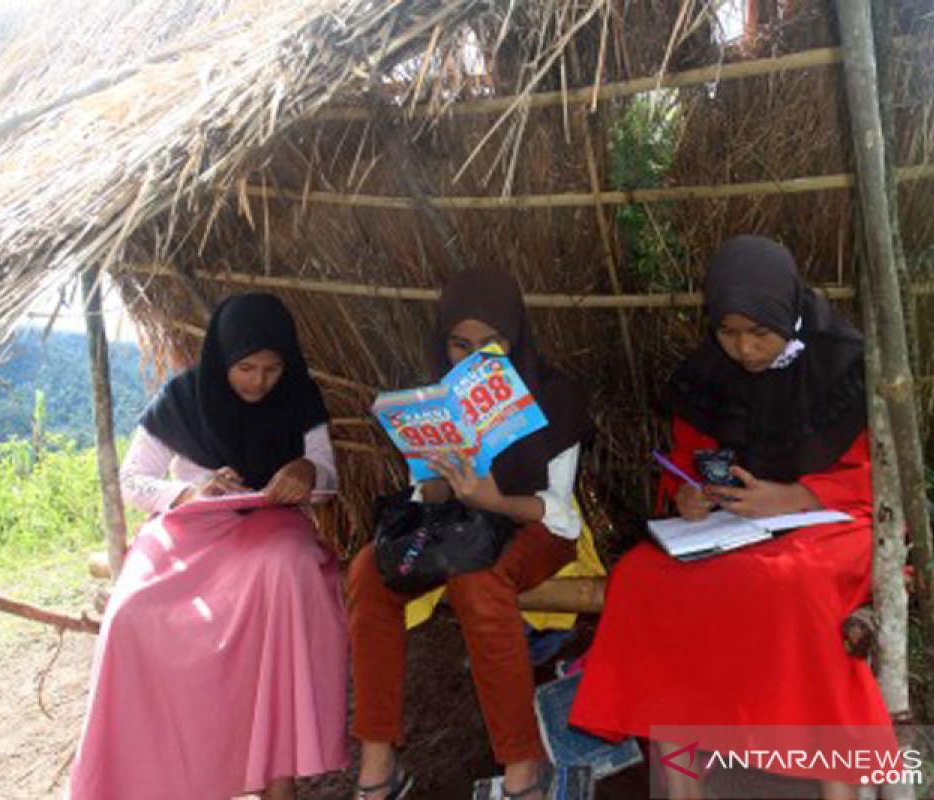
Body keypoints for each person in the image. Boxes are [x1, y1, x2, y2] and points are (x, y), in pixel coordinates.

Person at [569, 236, 896, 800]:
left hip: (836, 521)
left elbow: (885, 479)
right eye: (727, 331)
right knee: (644, 581)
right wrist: (687, 496)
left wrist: (796, 496)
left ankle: (836, 787)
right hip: (735, 528)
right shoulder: (707, 372)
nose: (743, 348)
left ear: (786, 313)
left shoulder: (846, 362)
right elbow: (686, 461)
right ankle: (682, 786)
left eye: (759, 332)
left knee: (793, 586)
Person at [68, 293, 348, 800]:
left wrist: (307, 472)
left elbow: (326, 474)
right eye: (245, 367)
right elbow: (132, 481)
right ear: (222, 359)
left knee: (289, 567)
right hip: (187, 531)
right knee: (131, 612)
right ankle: (151, 780)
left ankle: (276, 777)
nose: (258, 381)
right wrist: (188, 491)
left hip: (270, 529)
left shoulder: (300, 398)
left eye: (271, 368)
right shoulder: (182, 398)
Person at [348, 268, 594, 800]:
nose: (477, 359)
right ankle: (377, 759)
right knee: (369, 570)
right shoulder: (439, 395)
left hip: (535, 523)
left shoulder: (557, 398)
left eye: (492, 344)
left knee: (478, 584)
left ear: (516, 338)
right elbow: (425, 493)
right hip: (460, 523)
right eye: (461, 345)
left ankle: (522, 767)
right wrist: (435, 485)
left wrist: (494, 500)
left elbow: (559, 511)